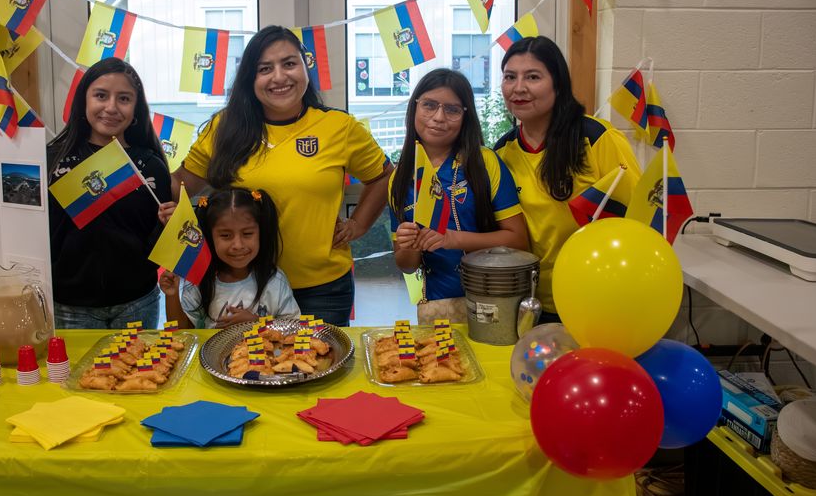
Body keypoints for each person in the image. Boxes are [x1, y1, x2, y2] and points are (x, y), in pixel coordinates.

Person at [170, 25, 391, 327]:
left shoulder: (339, 126)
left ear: (305, 67)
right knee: (248, 371)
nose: (279, 76)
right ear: (251, 79)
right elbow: (179, 185)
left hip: (322, 288)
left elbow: (382, 176)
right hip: (243, 287)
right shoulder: (224, 128)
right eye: (265, 68)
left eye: (289, 63)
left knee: (318, 369)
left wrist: (358, 225)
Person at [493, 36, 640, 322]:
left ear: (557, 85)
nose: (518, 88)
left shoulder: (597, 138)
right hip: (530, 303)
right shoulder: (501, 153)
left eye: (533, 77)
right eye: (510, 77)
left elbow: (640, 219)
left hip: (598, 297)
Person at [389, 68, 529, 324]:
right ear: (415, 108)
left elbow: (518, 240)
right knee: (442, 364)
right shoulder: (400, 178)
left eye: (452, 109)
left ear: (466, 117)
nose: (438, 117)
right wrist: (409, 244)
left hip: (495, 298)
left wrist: (452, 239)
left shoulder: (484, 162)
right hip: (437, 306)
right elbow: (407, 265)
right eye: (429, 105)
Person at [47, 57, 172, 329]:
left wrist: (169, 226)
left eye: (124, 99)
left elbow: (158, 246)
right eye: (101, 95)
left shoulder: (150, 166)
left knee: (141, 373)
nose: (111, 107)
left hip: (137, 301)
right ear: (83, 101)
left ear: (136, 109)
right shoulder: (52, 161)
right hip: (69, 305)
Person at [161, 187, 300, 329]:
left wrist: (259, 323)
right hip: (213, 351)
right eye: (226, 235)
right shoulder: (200, 280)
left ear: (261, 233)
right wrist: (171, 296)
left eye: (247, 234)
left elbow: (295, 329)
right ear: (210, 236)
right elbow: (181, 332)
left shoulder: (275, 281)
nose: (238, 245)